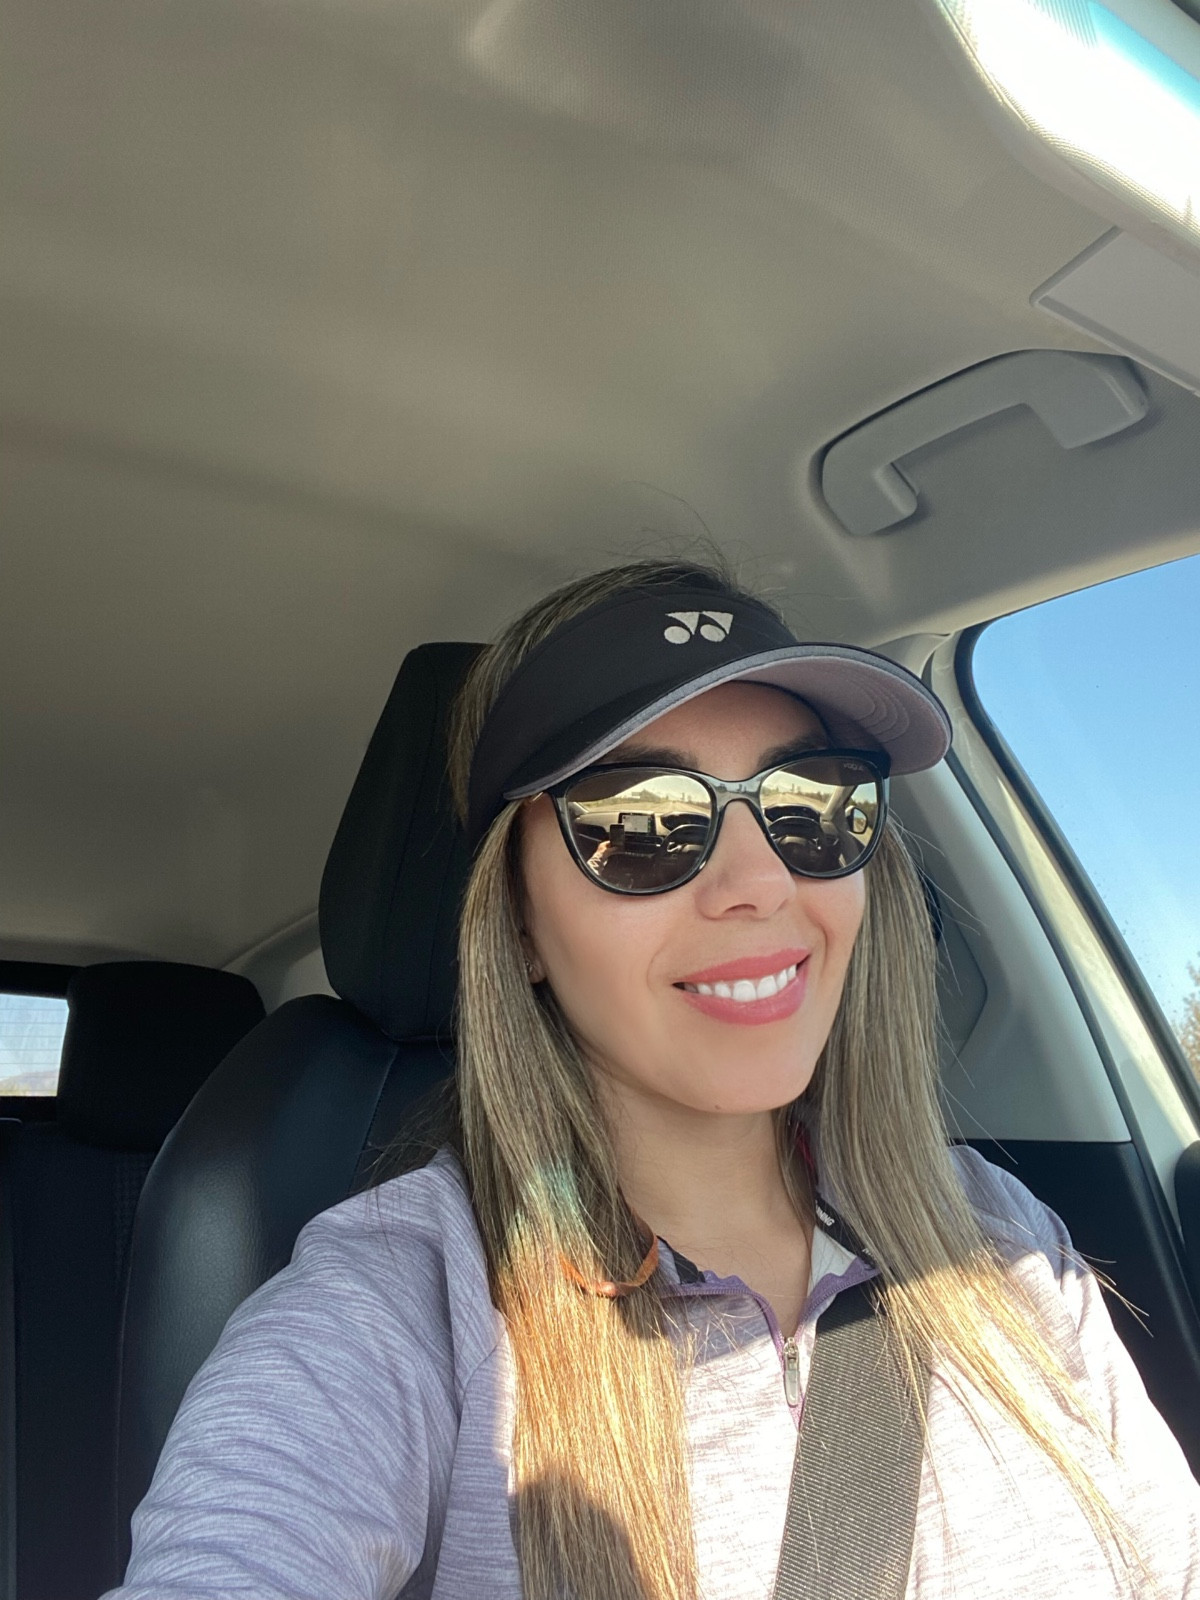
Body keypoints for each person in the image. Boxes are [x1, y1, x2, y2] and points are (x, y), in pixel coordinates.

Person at [106, 559, 1199, 1600]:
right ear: (518, 923)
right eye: (645, 824)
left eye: (812, 803)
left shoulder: (996, 1232)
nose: (759, 883)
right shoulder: (402, 1310)